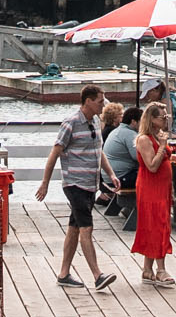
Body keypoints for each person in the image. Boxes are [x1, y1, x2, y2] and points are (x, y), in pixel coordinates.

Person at [34, 83, 116, 292]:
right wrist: (45, 183)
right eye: (99, 102)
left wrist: (111, 173)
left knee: (74, 228)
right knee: (86, 228)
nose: (102, 106)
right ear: (88, 101)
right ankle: (97, 275)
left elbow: (99, 150)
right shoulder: (71, 123)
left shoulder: (96, 121)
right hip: (74, 183)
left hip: (91, 184)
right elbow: (55, 153)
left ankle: (63, 273)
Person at [131, 101, 176, 286]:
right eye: (162, 117)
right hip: (150, 187)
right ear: (152, 119)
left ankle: (147, 269)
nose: (166, 120)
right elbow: (152, 165)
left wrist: (173, 156)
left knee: (156, 225)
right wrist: (162, 146)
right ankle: (161, 269)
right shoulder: (145, 139)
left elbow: (163, 159)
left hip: (163, 188)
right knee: (157, 225)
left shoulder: (158, 136)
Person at [101, 102, 139, 225]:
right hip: (118, 178)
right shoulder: (129, 134)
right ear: (134, 122)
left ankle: (130, 208)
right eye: (142, 122)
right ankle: (140, 210)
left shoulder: (118, 130)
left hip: (109, 177)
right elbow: (139, 157)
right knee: (152, 176)